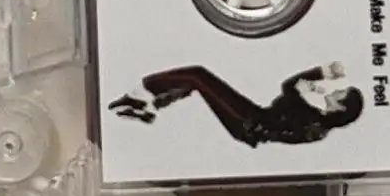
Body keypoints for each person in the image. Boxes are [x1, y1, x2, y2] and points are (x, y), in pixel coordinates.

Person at [110, 62, 363, 147]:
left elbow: (289, 90)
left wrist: (316, 80)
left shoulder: (315, 125)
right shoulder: (316, 117)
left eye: (340, 94)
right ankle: (147, 107)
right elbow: (289, 89)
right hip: (252, 118)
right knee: (198, 84)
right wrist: (317, 79)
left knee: (198, 77)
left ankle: (139, 96)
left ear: (340, 108)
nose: (335, 90)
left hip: (247, 124)